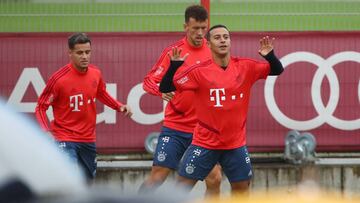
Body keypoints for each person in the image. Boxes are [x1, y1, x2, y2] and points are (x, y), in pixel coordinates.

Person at [159, 24, 284, 195]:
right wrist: (173, 67)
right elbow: (165, 87)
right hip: (205, 144)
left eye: (226, 37)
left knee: (242, 191)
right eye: (217, 38)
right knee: (179, 190)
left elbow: (277, 69)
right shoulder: (198, 72)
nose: (223, 40)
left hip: (235, 145)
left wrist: (270, 56)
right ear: (208, 44)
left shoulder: (245, 67)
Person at [140, 5, 222, 196]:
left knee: (215, 178)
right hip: (175, 128)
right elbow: (148, 81)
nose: (201, 33)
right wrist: (160, 91)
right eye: (196, 29)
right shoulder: (174, 52)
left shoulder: (214, 52)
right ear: (186, 26)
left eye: (204, 28)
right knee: (158, 177)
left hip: (203, 131)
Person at [35, 32, 132, 181]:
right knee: (69, 178)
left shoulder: (95, 73)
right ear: (70, 53)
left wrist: (119, 106)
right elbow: (41, 107)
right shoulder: (58, 79)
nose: (84, 56)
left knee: (87, 182)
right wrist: (46, 131)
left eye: (87, 52)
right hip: (64, 137)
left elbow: (101, 93)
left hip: (87, 138)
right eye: (79, 53)